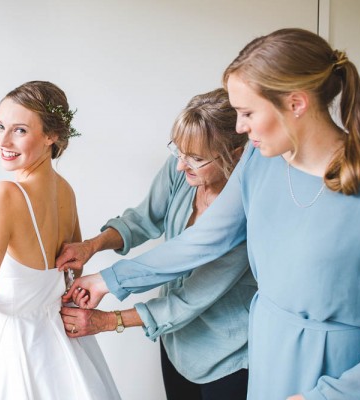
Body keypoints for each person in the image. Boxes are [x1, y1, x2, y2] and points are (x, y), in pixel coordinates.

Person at [65, 28, 360, 400]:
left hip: (340, 371)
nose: (239, 128)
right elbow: (203, 239)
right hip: (266, 351)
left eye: (247, 112)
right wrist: (107, 279)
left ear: (296, 104)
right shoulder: (258, 161)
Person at [58, 88, 254, 400]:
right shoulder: (183, 171)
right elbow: (143, 219)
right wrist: (92, 245)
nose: (181, 165)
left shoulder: (244, 215)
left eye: (197, 158)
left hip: (227, 356)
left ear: (237, 154)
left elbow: (187, 300)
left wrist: (108, 321)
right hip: (175, 341)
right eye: (179, 151)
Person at [0, 81, 120, 399]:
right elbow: (72, 276)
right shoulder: (65, 190)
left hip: (15, 351)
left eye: (19, 130)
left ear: (51, 136)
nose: (2, 140)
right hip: (66, 349)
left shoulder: (3, 196)